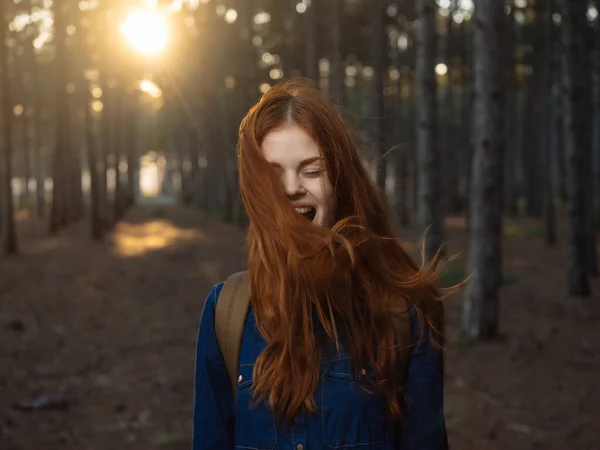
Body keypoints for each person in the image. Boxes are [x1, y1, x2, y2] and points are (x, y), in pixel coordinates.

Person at [192, 78, 448, 450]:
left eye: (311, 170)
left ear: (340, 180)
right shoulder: (225, 312)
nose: (291, 188)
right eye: (273, 173)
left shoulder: (404, 310)